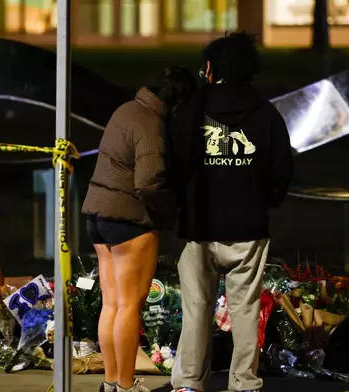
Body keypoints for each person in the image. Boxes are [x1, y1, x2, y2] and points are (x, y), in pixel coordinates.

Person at [167, 32, 294, 392]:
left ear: (211, 68)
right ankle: (244, 383)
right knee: (246, 310)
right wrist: (263, 200)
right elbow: (282, 169)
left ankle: (189, 383)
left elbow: (173, 163)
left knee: (196, 309)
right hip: (248, 227)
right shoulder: (267, 113)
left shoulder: (190, 110)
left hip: (197, 227)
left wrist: (181, 202)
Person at [82, 66, 196, 392]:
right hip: (128, 222)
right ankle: (127, 386)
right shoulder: (151, 126)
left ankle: (111, 383)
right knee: (130, 306)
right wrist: (170, 209)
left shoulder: (126, 110)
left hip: (98, 218)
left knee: (112, 304)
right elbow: (148, 181)